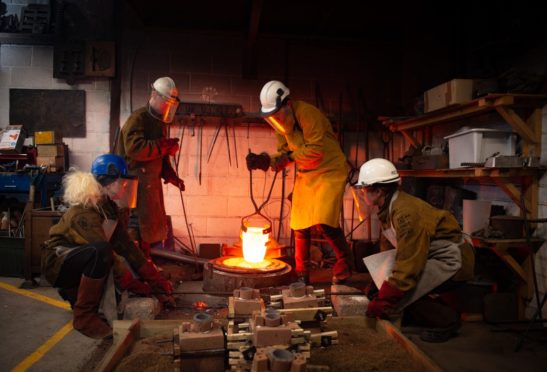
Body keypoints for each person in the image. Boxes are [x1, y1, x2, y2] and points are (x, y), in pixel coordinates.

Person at [42, 154, 174, 339]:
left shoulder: (108, 207)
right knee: (102, 252)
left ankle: (76, 296)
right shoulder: (85, 210)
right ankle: (84, 317)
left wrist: (153, 278)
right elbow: (109, 256)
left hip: (80, 258)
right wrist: (134, 283)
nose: (126, 186)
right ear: (109, 181)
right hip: (58, 263)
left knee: (109, 257)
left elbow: (127, 246)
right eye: (123, 182)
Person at [354, 158, 475, 340]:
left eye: (364, 190)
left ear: (379, 191)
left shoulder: (405, 214)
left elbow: (409, 266)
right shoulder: (389, 206)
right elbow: (395, 251)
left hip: (451, 259)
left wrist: (387, 297)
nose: (362, 194)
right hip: (428, 254)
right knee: (378, 291)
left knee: (397, 298)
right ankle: (425, 311)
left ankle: (448, 320)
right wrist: (380, 283)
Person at [246, 80, 352, 284]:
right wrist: (266, 160)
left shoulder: (308, 114)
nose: (275, 119)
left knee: (324, 219)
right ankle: (302, 274)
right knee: (299, 223)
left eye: (277, 113)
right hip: (307, 172)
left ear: (288, 103)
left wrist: (290, 158)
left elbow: (315, 150)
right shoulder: (280, 125)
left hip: (329, 169)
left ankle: (346, 263)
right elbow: (285, 152)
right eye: (271, 116)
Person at [116, 76, 185, 258]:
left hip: (149, 184)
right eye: (166, 102)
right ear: (154, 94)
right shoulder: (138, 118)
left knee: (148, 229)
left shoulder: (159, 122)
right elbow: (135, 149)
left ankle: (145, 262)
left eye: (171, 104)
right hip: (133, 185)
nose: (167, 108)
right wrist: (165, 145)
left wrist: (171, 176)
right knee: (135, 226)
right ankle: (133, 267)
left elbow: (159, 157)